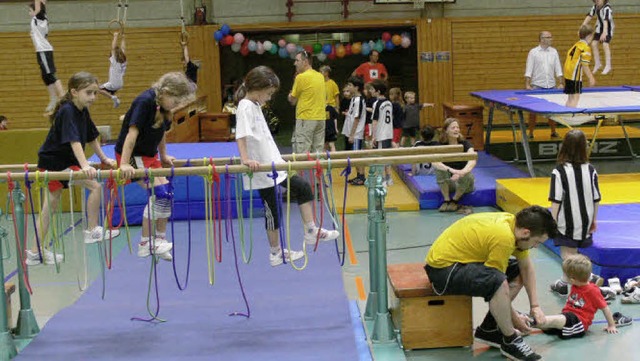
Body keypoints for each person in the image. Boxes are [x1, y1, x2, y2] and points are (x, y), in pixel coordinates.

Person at [235, 66, 340, 266]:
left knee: (302, 187)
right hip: (261, 168)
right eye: (269, 93)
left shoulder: (255, 105)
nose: (270, 97)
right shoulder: (245, 106)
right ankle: (275, 253)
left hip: (274, 163)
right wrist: (246, 159)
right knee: (272, 210)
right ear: (258, 87)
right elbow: (241, 135)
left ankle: (310, 231)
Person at [425, 206, 557, 361]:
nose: (536, 246)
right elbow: (499, 284)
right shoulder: (504, 238)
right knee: (497, 281)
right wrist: (515, 320)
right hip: (444, 272)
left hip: (462, 262)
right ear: (526, 233)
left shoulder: (514, 225)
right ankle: (510, 340)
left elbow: (526, 268)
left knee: (516, 272)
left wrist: (535, 306)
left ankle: (489, 329)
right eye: (537, 242)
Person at [25, 72, 120, 266]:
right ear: (74, 92)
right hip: (53, 163)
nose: (93, 98)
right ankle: (90, 231)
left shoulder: (82, 109)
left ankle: (36, 251)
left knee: (59, 203)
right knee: (57, 204)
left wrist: (104, 159)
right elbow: (74, 140)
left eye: (95, 93)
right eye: (89, 93)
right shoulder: (67, 110)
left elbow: (92, 136)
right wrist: (85, 165)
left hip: (66, 161)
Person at [116, 72, 195, 261]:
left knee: (167, 193)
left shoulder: (165, 107)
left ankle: (159, 239)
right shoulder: (145, 102)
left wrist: (164, 155)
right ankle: (145, 243)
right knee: (158, 193)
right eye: (175, 101)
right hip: (133, 155)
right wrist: (125, 163)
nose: (176, 106)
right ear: (166, 92)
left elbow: (161, 133)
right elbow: (131, 134)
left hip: (149, 156)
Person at [548, 129, 602, 296]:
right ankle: (564, 284)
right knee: (574, 253)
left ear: (564, 147)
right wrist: (594, 219)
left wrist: (552, 222)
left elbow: (556, 200)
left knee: (567, 255)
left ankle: (590, 277)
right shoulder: (591, 169)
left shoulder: (559, 171)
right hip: (585, 219)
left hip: (567, 220)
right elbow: (596, 198)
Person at [537, 254, 631, 338]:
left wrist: (611, 325)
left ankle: (535, 321)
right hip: (566, 317)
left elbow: (605, 308)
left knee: (557, 320)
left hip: (579, 323)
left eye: (564, 275)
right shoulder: (575, 285)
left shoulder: (592, 290)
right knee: (546, 325)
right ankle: (529, 322)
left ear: (573, 279)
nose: (562, 277)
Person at [524, 31, 564, 139]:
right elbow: (529, 68)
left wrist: (560, 82)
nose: (551, 39)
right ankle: (530, 133)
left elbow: (558, 68)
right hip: (537, 85)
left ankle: (553, 131)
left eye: (551, 37)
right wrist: (527, 84)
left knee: (552, 111)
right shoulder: (533, 52)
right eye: (548, 37)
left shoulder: (554, 52)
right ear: (542, 39)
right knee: (533, 111)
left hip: (551, 85)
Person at [432, 118, 476, 213]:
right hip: (450, 181)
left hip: (465, 183)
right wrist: (452, 171)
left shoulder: (465, 144)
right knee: (439, 169)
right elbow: (434, 162)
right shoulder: (440, 145)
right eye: (453, 128)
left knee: (467, 174)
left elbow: (472, 158)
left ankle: (455, 200)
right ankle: (446, 200)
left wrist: (461, 172)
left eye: (457, 127)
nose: (456, 129)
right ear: (446, 131)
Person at [28, 0, 65, 114]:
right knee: (45, 76)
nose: (29, 12)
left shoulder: (39, 17)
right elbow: (43, 3)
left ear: (36, 10)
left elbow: (39, 5)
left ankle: (63, 96)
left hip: (44, 50)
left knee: (50, 74)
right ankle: (53, 99)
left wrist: (35, 9)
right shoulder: (42, 17)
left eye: (30, 10)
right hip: (41, 51)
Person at [288, 51, 326, 154]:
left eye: (297, 60)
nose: (295, 63)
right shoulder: (320, 76)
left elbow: (293, 100)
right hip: (321, 118)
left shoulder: (300, 77)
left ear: (305, 62)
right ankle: (319, 171)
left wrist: (290, 96)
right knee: (318, 153)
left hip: (306, 118)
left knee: (301, 152)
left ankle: (299, 171)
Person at [341, 76, 367, 186]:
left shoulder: (359, 100)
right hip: (351, 131)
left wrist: (352, 135)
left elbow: (357, 118)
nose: (348, 87)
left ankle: (362, 176)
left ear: (356, 87)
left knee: (357, 155)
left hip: (356, 133)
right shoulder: (353, 99)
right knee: (354, 155)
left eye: (350, 86)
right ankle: (358, 175)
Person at [564, 25, 596, 108]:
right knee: (575, 97)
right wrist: (591, 78)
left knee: (570, 98)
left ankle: (566, 114)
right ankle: (571, 117)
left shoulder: (576, 45)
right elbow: (585, 65)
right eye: (592, 36)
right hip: (575, 75)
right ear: (589, 36)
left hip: (568, 74)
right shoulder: (585, 48)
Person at [370, 80, 394, 186]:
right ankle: (389, 178)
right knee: (387, 156)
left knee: (380, 157)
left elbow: (375, 121)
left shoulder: (377, 103)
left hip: (381, 134)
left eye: (372, 89)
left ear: (378, 91)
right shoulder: (389, 102)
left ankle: (382, 179)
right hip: (389, 133)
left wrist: (373, 136)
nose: (370, 91)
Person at [582, 0, 614, 75]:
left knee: (605, 44)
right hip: (599, 27)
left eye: (598, 0)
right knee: (593, 44)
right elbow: (589, 16)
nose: (597, 2)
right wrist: (582, 26)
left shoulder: (607, 8)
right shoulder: (595, 7)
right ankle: (598, 63)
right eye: (595, 0)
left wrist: (604, 32)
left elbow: (606, 20)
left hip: (608, 28)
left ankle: (608, 65)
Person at [98, 32, 127, 108]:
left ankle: (114, 98)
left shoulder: (114, 61)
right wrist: (123, 38)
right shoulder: (123, 60)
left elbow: (113, 47)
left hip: (114, 83)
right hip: (119, 83)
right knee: (108, 90)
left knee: (98, 89)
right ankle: (114, 98)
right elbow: (123, 48)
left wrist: (115, 36)